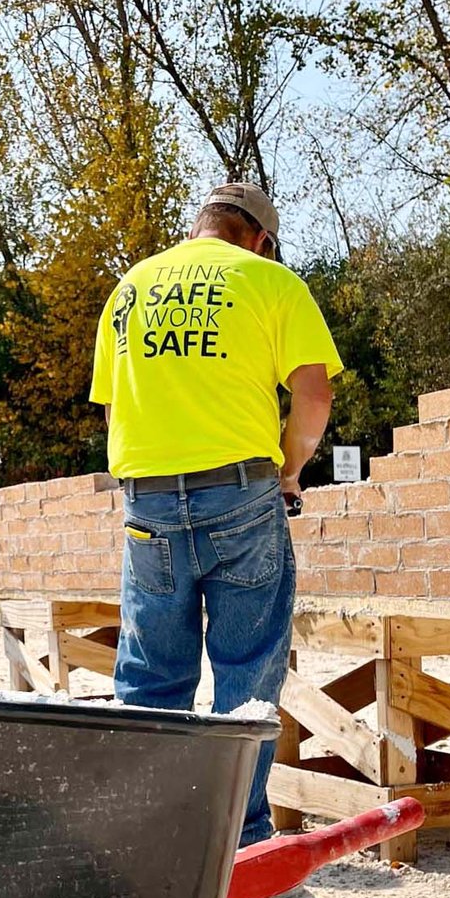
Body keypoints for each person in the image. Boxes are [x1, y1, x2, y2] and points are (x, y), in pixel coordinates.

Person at [89, 182, 343, 848]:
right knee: (246, 668)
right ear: (259, 237)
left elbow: (115, 410)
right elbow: (312, 398)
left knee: (151, 675)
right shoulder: (270, 282)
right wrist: (288, 470)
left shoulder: (131, 288)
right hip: (240, 492)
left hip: (147, 501)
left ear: (203, 223)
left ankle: (148, 840)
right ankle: (242, 842)